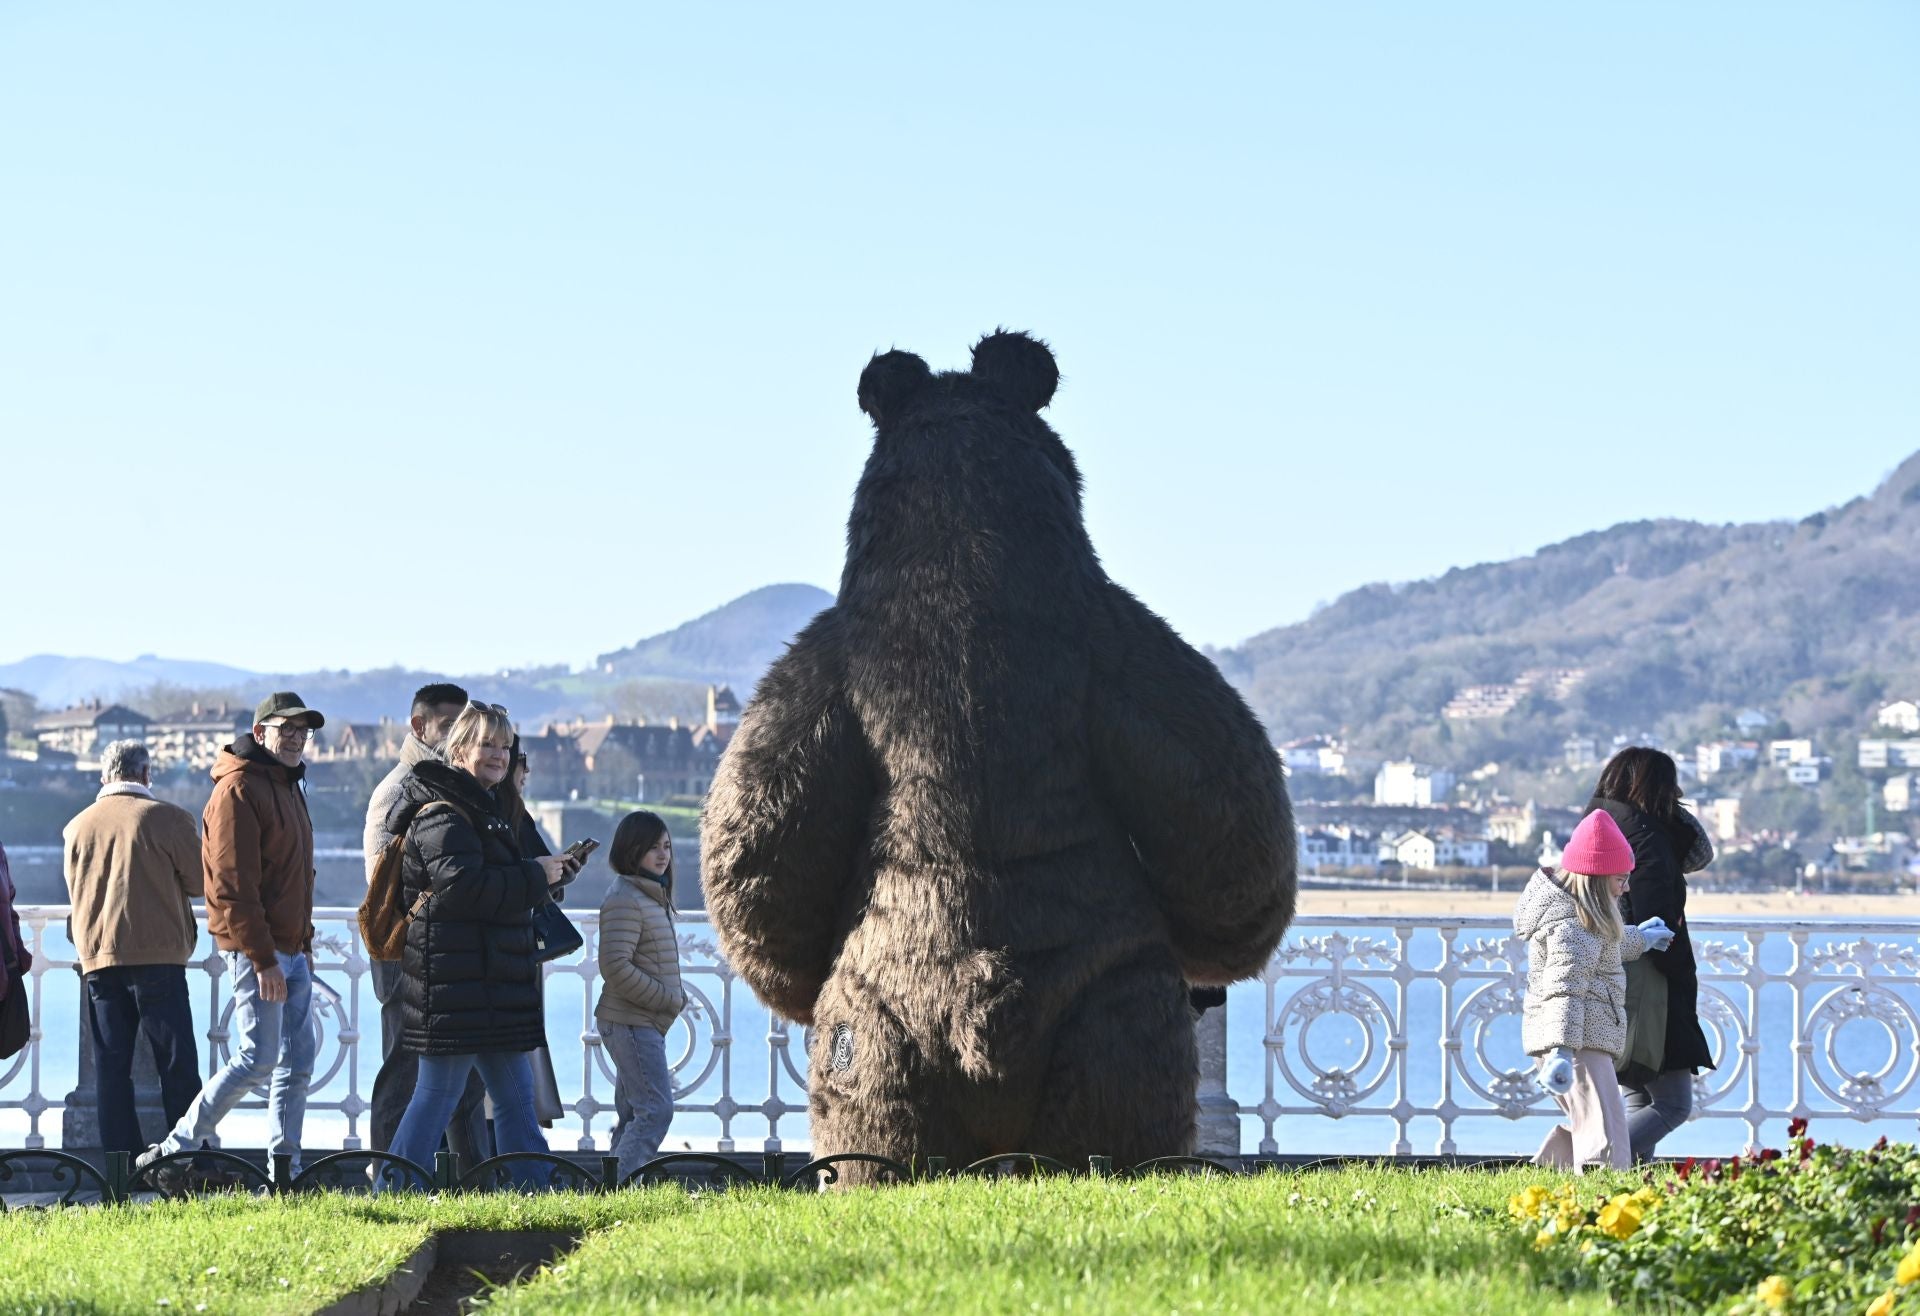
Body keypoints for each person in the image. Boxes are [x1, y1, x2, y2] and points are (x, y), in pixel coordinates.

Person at [137, 693, 324, 1185]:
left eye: (303, 732)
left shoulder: (287, 785)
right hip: (260, 952)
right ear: (260, 733)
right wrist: (263, 959)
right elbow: (230, 886)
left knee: (297, 1061)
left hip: (292, 949)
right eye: (287, 730)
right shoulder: (239, 788)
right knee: (258, 1057)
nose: (297, 739)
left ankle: (285, 1172)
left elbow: (293, 876)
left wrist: (302, 944)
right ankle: (172, 1150)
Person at [385, 702, 571, 1176]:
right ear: (461, 747)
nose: (500, 755)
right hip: (457, 985)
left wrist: (543, 875)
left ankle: (533, 1198)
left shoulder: (487, 809)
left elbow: (486, 884)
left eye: (506, 746)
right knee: (437, 1096)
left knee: (515, 1097)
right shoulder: (440, 813)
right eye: (488, 744)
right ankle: (393, 1190)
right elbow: (465, 889)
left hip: (489, 984)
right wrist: (533, 875)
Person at [362, 681, 488, 1159]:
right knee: (405, 1067)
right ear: (419, 726)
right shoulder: (398, 789)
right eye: (450, 725)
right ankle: (389, 1176)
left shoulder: (451, 783)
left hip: (446, 948)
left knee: (466, 1077)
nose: (460, 735)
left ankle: (473, 1184)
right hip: (404, 951)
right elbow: (381, 881)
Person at [62, 740, 204, 1156]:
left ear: (104, 777)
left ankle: (121, 1167)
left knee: (110, 1069)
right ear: (145, 775)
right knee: (177, 1067)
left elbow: (76, 892)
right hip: (159, 956)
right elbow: (199, 884)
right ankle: (187, 1160)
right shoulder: (170, 819)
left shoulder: (77, 826)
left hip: (99, 958)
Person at [1515, 809, 1673, 1172]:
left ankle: (1546, 1175)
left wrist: (1643, 939)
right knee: (1606, 1134)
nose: (1627, 887)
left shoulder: (1584, 920)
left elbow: (1605, 948)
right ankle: (1603, 1200)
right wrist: (1562, 1051)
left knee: (1596, 1122)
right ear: (1596, 879)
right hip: (1576, 1041)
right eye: (1621, 879)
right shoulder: (1572, 928)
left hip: (1581, 1038)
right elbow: (1565, 990)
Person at [1589, 747, 1718, 1161]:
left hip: (1613, 967)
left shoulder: (1602, 822)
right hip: (1649, 977)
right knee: (1673, 1103)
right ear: (1659, 787)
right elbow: (1664, 903)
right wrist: (1678, 971)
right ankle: (1597, 1162)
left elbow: (1694, 856)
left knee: (1639, 1097)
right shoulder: (1645, 835)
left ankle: (1623, 1186)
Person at [595, 810, 685, 1179]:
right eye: (652, 848)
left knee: (634, 1112)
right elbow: (615, 966)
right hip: (631, 1021)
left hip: (640, 1021)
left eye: (665, 846)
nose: (662, 855)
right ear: (632, 851)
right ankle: (619, 1188)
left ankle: (614, 1188)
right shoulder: (626, 898)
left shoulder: (649, 894)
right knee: (655, 1111)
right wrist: (666, 999)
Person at [497, 739, 565, 1128]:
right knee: (510, 1078)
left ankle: (521, 1165)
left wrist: (556, 875)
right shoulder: (505, 814)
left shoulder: (515, 814)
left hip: (517, 950)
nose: (525, 771)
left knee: (510, 1079)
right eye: (521, 761)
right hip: (508, 953)